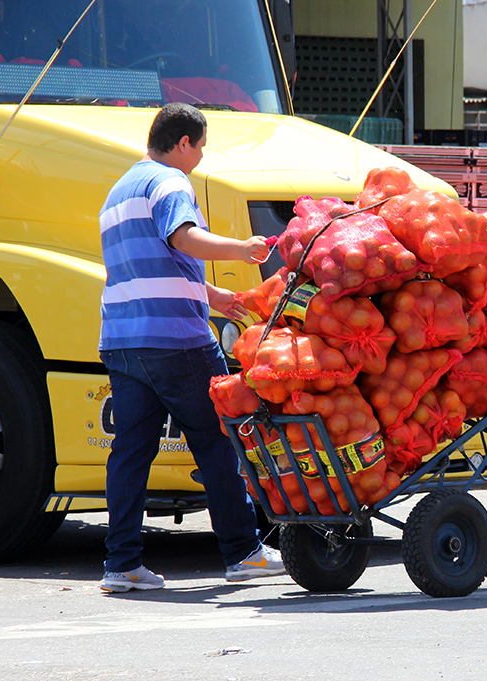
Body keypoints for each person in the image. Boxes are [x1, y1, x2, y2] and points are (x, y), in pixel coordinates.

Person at [97, 102, 285, 592]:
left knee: (131, 454)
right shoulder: (170, 182)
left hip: (122, 340)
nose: (200, 155)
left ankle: (121, 565)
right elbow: (184, 239)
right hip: (176, 342)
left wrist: (215, 295)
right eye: (200, 146)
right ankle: (244, 552)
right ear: (183, 143)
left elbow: (149, 266)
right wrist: (241, 250)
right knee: (217, 442)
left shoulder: (118, 193)